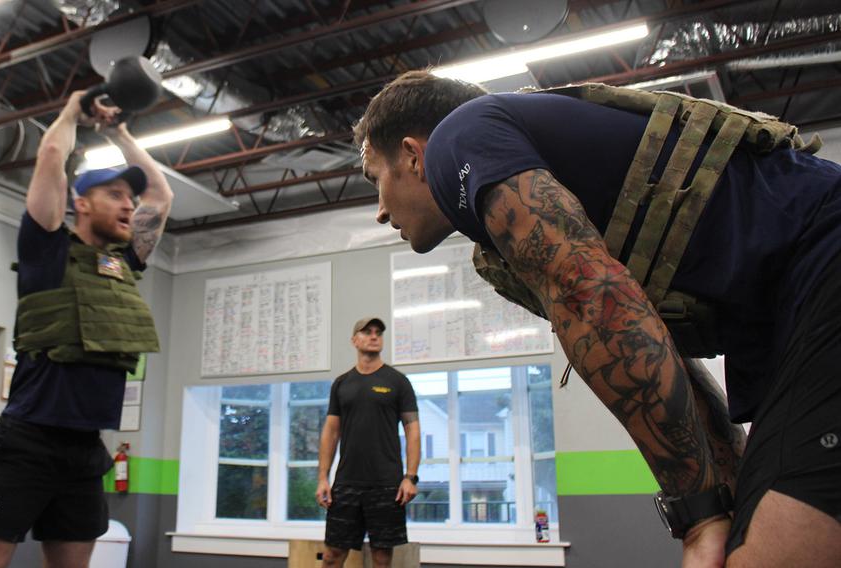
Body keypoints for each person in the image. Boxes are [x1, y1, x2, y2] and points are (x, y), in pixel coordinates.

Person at [353, 70, 841, 568]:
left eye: (376, 180)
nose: (379, 211)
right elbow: (648, 341)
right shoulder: (498, 240)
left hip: (822, 261)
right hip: (788, 322)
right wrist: (719, 496)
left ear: (414, 155)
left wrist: (698, 516)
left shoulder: (459, 136)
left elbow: (590, 299)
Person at [0, 90, 173, 568]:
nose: (128, 205)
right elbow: (53, 155)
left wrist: (120, 134)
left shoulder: (123, 263)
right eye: (114, 194)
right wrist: (74, 111)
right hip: (27, 440)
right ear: (81, 203)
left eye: (128, 198)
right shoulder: (46, 250)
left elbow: (162, 195)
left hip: (85, 448)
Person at [316, 317, 420, 568]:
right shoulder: (341, 384)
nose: (374, 336)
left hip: (387, 485)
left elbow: (413, 430)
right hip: (347, 483)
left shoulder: (398, 382)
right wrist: (322, 477)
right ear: (355, 340)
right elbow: (331, 432)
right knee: (331, 557)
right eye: (367, 332)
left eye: (378, 333)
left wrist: (411, 477)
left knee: (382, 559)